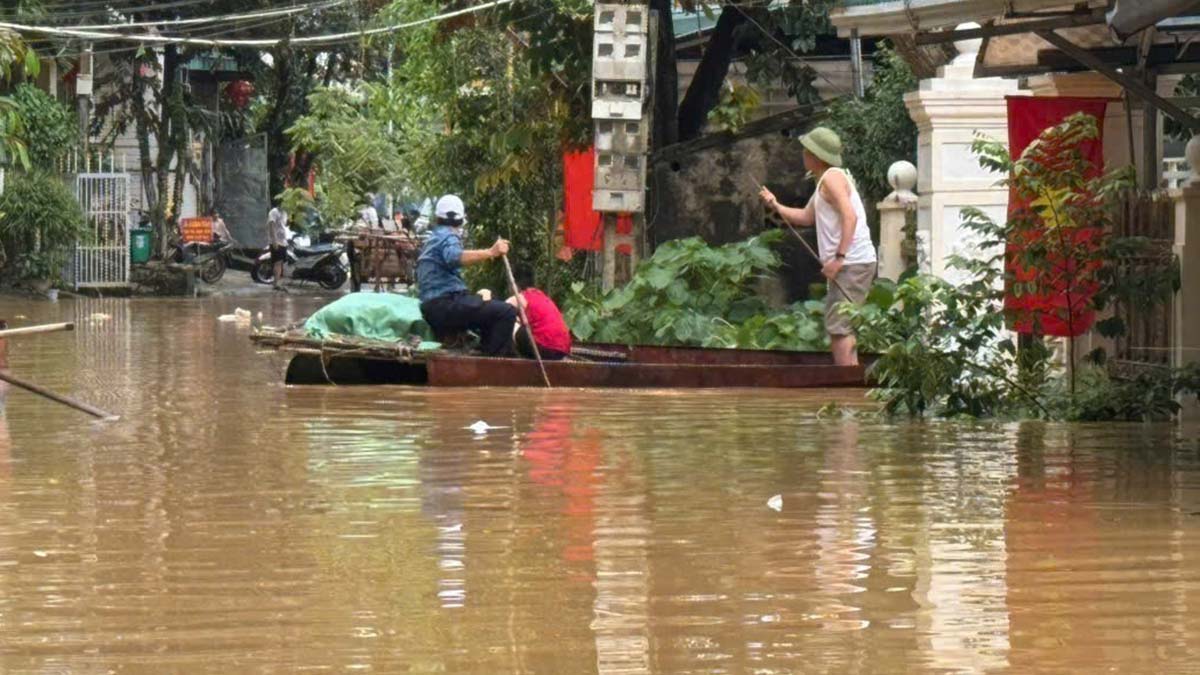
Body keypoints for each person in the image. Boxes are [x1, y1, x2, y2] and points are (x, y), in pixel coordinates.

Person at [759, 126, 877, 366]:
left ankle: (849, 389)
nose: (803, 154)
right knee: (840, 325)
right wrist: (775, 205)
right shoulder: (824, 180)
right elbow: (806, 217)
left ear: (816, 155)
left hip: (852, 263)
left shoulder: (832, 178)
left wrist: (838, 258)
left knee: (840, 327)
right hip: (850, 263)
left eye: (806, 150)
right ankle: (850, 381)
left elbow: (850, 217)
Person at [416, 195, 517, 356]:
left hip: (436, 305)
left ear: (437, 217)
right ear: (461, 220)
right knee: (507, 312)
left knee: (490, 307)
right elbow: (454, 256)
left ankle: (483, 351)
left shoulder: (435, 237)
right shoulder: (448, 235)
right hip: (444, 305)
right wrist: (491, 252)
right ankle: (492, 365)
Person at [506, 275, 571, 361]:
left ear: (514, 285)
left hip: (543, 348)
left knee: (507, 321)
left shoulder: (520, 297)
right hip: (562, 350)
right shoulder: (542, 297)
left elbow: (500, 311)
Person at [266, 204, 289, 292]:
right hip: (277, 242)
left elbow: (283, 226)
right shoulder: (274, 212)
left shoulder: (285, 213)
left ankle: (277, 282)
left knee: (280, 262)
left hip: (283, 242)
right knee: (277, 262)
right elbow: (271, 225)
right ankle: (275, 284)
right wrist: (274, 240)